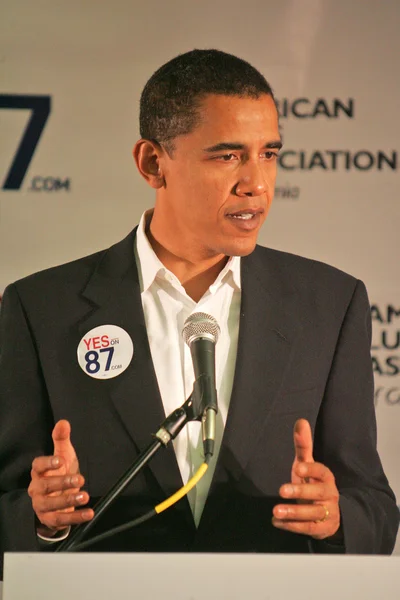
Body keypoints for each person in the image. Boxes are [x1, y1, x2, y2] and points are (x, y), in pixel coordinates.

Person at [0, 49, 398, 576]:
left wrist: (334, 518)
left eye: (270, 154)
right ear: (152, 163)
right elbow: (7, 505)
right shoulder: (41, 307)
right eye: (228, 156)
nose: (256, 183)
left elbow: (373, 507)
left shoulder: (328, 302)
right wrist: (42, 518)